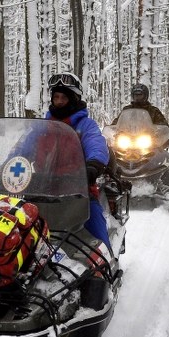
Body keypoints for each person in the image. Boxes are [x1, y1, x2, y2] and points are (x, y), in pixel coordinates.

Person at [45, 72, 111, 252]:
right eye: (56, 97)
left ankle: (107, 260)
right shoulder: (44, 126)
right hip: (42, 188)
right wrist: (5, 167)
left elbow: (96, 144)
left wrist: (93, 165)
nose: (58, 101)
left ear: (73, 99)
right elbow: (24, 146)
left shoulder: (85, 125)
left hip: (78, 190)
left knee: (95, 221)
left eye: (63, 97)